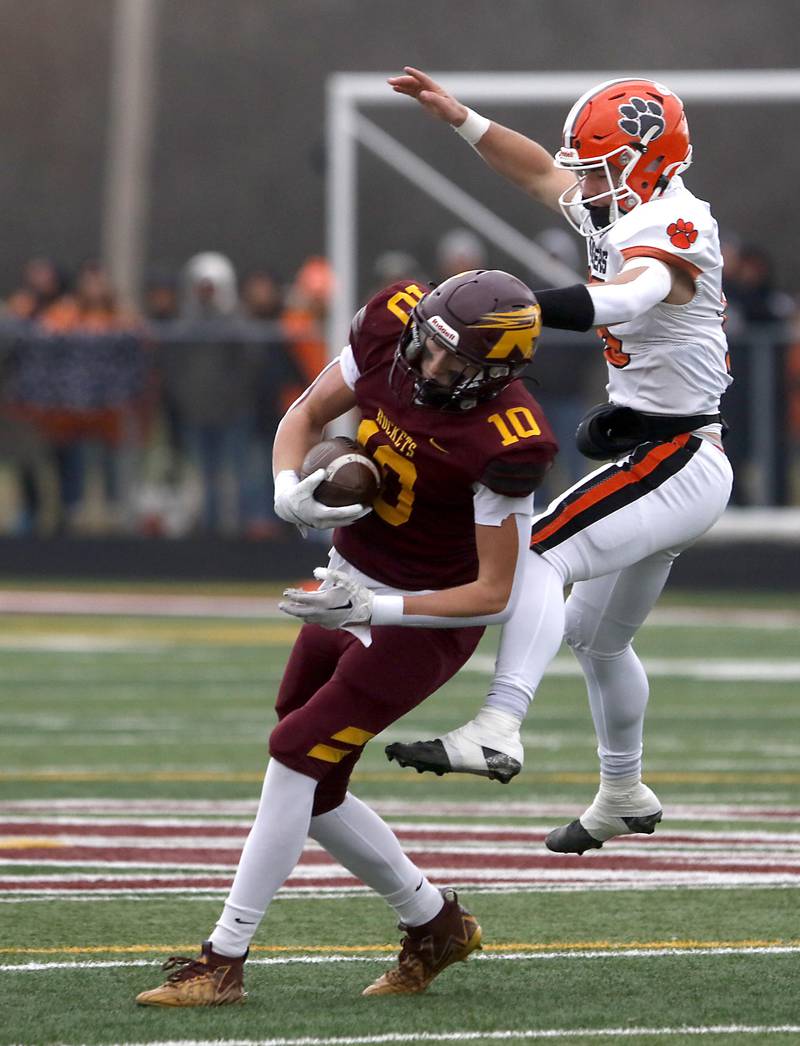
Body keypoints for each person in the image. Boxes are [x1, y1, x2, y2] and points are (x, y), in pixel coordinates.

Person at [135, 268, 558, 1006]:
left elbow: (494, 595)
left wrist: (375, 612)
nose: (428, 367)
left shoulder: (505, 439)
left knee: (294, 753)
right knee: (314, 777)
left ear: (497, 373)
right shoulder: (391, 324)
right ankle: (434, 923)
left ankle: (222, 959)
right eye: (428, 347)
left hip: (422, 618)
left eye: (454, 365)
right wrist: (284, 488)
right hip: (346, 578)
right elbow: (303, 415)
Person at [382, 68, 733, 854]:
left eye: (599, 163)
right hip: (660, 445)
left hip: (680, 454)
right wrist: (460, 118)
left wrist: (525, 308)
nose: (582, 177)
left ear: (646, 159)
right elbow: (539, 171)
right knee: (598, 639)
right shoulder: (621, 203)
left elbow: (632, 295)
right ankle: (623, 791)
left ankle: (499, 725)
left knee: (539, 552)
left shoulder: (677, 222)